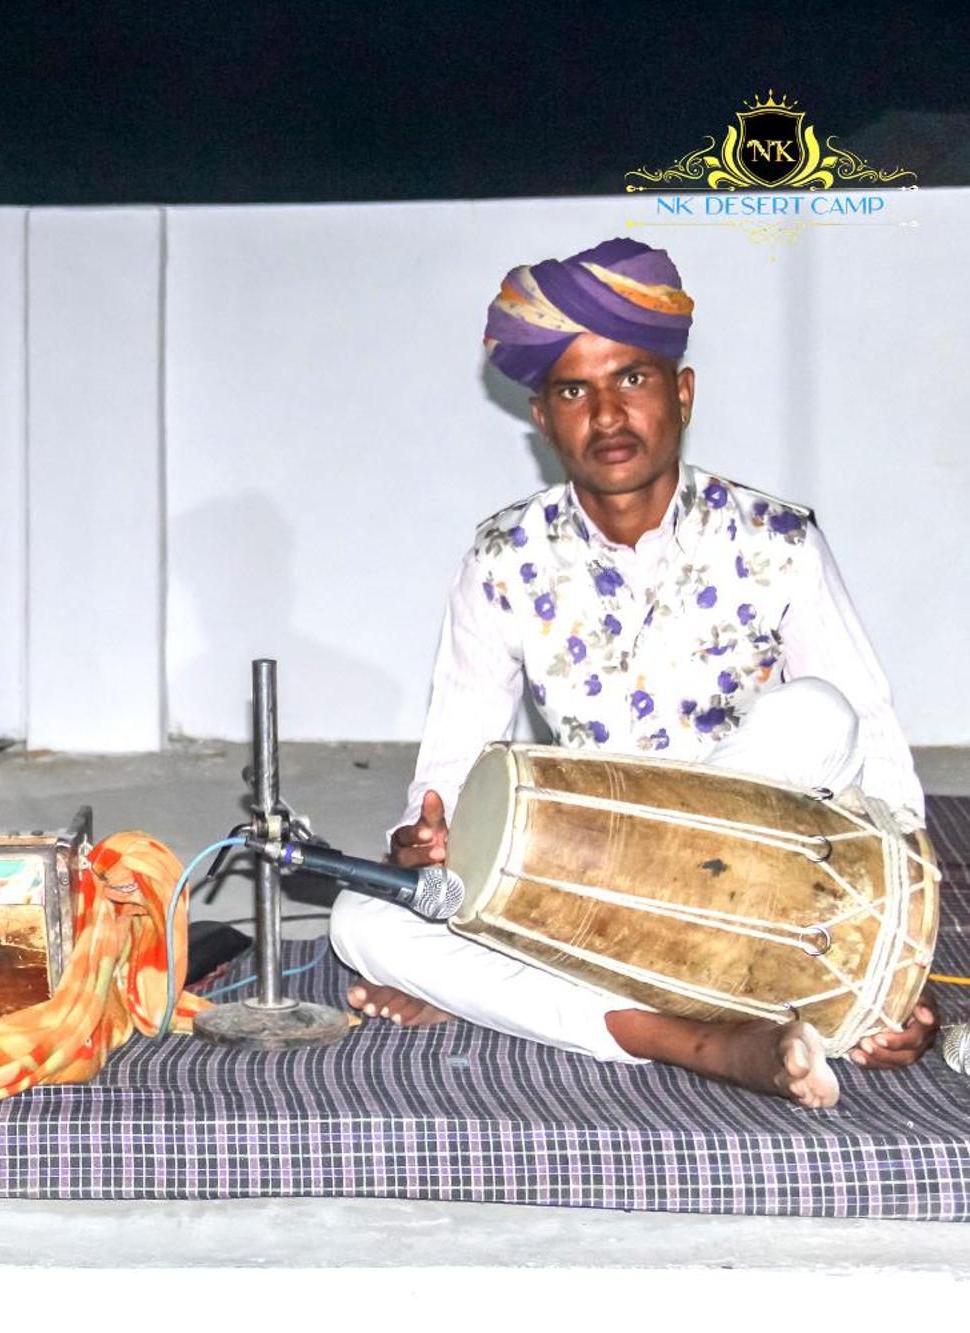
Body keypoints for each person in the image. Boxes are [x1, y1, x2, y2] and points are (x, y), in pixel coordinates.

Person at [330, 237, 936, 1107]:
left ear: (681, 394)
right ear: (543, 417)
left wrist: (893, 956)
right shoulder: (505, 558)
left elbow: (872, 743)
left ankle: (552, 1002)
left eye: (633, 380)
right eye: (574, 390)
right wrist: (422, 840)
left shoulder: (778, 541)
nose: (607, 415)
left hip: (761, 870)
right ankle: (704, 1038)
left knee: (819, 716)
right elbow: (451, 762)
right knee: (360, 922)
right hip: (594, 889)